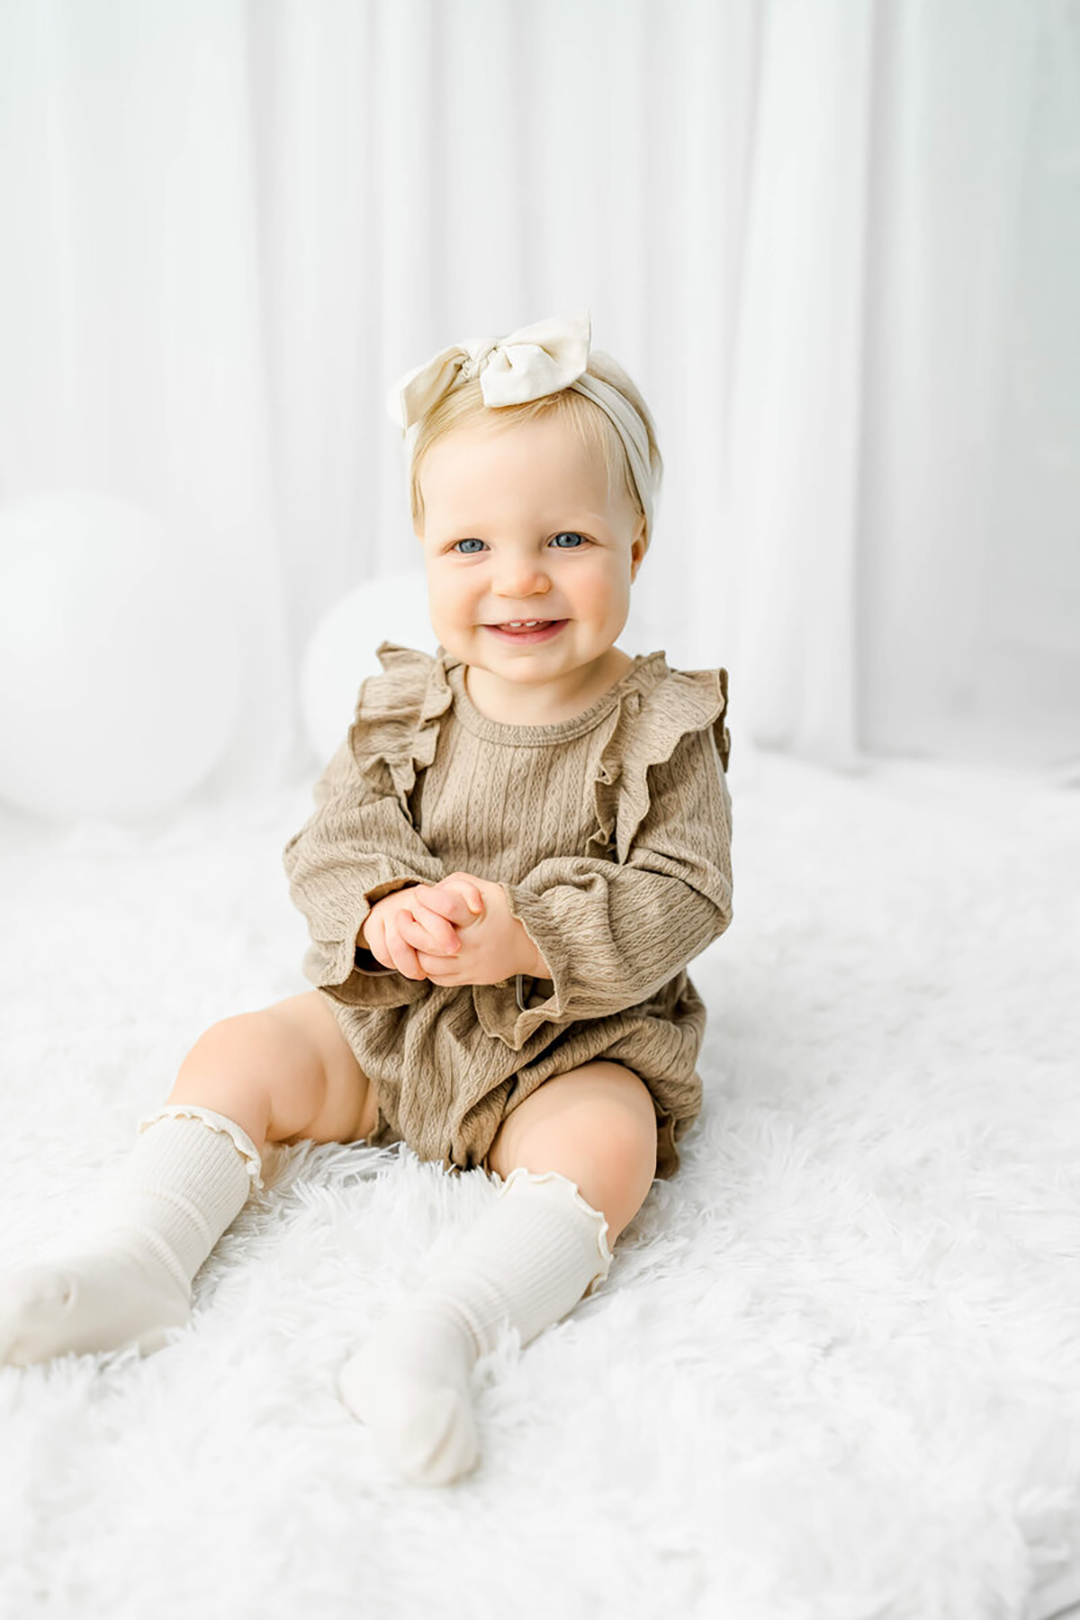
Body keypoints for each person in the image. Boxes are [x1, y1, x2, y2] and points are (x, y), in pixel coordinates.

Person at [0, 311, 733, 1487]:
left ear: (636, 545)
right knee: (243, 1049)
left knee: (612, 1142)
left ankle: (438, 1334)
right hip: (392, 1014)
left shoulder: (662, 726)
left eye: (566, 536)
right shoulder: (405, 704)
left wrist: (529, 932)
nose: (520, 578)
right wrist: (386, 906)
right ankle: (140, 1256)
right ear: (423, 547)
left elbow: (685, 891)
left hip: (564, 1037)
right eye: (471, 548)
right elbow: (334, 835)